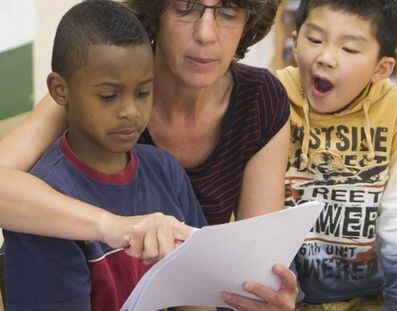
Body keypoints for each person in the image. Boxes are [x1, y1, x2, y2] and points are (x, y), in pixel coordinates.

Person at [0, 0, 298, 309]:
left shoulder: (258, 101)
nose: (206, 34)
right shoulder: (94, 82)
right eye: (186, 7)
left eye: (227, 12)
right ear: (157, 11)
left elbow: (248, 274)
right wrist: (116, 227)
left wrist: (265, 297)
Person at [3, 1, 207, 310]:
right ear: (60, 90)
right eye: (108, 96)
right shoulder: (46, 204)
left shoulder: (165, 170)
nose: (130, 112)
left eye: (142, 93)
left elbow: (197, 294)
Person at [276, 0, 397, 309]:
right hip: (282, 295)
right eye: (314, 40)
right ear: (295, 42)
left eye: (349, 49)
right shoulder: (271, 94)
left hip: (370, 300)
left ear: (382, 68)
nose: (325, 58)